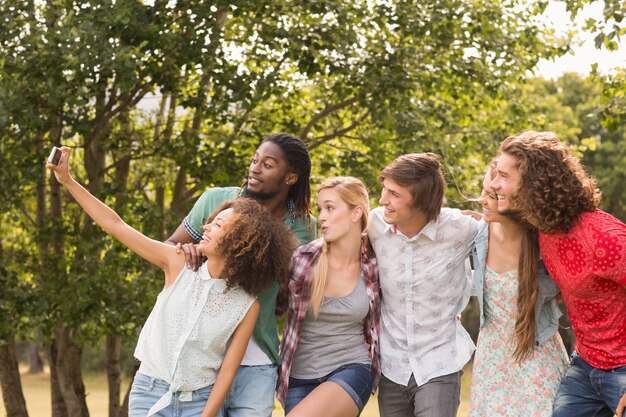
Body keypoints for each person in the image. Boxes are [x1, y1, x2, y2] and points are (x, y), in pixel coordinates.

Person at [46, 147, 295, 417]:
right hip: (149, 393)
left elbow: (227, 372)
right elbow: (115, 225)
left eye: (218, 225)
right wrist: (68, 180)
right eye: (210, 222)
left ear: (241, 243)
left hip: (198, 401)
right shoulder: (177, 265)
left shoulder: (248, 305)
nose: (206, 227)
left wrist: (206, 415)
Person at [165, 133, 316, 417]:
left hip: (256, 360)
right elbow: (169, 247)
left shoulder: (304, 228)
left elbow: (288, 295)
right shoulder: (216, 200)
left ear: (291, 177)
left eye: (268, 164)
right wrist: (186, 250)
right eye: (255, 160)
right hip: (201, 358)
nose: (255, 168)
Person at [489, 131, 626, 417]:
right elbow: (495, 217)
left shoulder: (605, 238)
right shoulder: (544, 226)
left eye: (503, 176)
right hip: (586, 366)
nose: (494, 184)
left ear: (532, 184)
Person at [368, 153, 482, 417]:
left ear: (421, 199)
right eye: (384, 189)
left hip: (439, 362)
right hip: (392, 367)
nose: (383, 200)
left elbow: (507, 232)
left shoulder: (460, 229)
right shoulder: (374, 224)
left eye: (394, 194)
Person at [468, 163, 568, 417]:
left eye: (491, 196)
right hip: (492, 359)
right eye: (484, 192)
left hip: (536, 353)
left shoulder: (543, 241)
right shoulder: (478, 234)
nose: (482, 200)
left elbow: (570, 288)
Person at [277, 177, 380, 417]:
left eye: (330, 208)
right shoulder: (304, 259)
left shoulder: (376, 263)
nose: (321, 216)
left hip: (352, 367)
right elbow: (274, 304)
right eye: (320, 208)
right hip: (299, 376)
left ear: (356, 213)